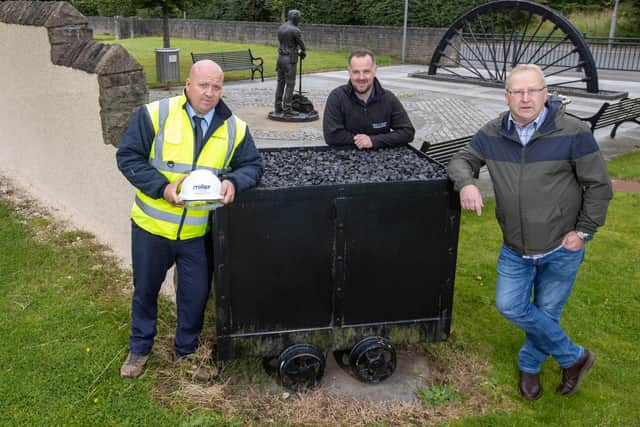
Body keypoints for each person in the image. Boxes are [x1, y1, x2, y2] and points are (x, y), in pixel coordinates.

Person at [448, 64, 612, 400]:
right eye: (517, 92)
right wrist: (466, 183)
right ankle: (574, 357)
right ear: (506, 96)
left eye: (533, 90)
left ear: (546, 93)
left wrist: (583, 232)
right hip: (515, 248)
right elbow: (461, 159)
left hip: (561, 247)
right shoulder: (493, 132)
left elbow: (599, 186)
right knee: (510, 306)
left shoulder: (573, 131)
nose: (526, 98)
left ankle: (530, 368)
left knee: (547, 313)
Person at [116, 60, 264, 380]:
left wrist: (235, 181)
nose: (210, 93)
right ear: (188, 84)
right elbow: (128, 157)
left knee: (195, 296)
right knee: (145, 291)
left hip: (196, 233)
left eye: (216, 87)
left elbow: (253, 165)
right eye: (203, 85)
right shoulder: (156, 115)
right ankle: (139, 348)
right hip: (151, 228)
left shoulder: (235, 128)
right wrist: (162, 187)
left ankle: (186, 352)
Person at [322, 49, 415, 149]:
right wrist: (361, 141)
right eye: (356, 72)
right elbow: (331, 136)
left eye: (366, 71)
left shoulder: (388, 98)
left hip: (383, 160)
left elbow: (408, 132)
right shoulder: (337, 97)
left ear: (375, 71)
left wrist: (373, 141)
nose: (361, 77)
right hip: (344, 158)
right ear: (349, 71)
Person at [274, 9, 306, 115]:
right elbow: (302, 45)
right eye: (299, 17)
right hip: (290, 59)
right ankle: (287, 108)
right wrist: (303, 52)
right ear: (295, 17)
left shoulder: (281, 27)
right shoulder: (295, 30)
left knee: (280, 83)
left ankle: (278, 107)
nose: (300, 19)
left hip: (280, 58)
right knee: (290, 84)